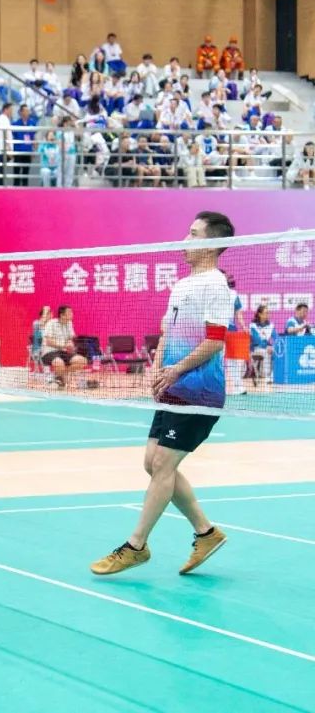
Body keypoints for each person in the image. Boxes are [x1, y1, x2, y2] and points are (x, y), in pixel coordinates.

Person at [90, 211, 235, 576]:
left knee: (163, 465)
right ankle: (206, 533)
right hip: (173, 385)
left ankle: (135, 545)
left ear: (212, 243)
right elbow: (168, 332)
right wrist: (157, 369)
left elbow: (215, 341)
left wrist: (176, 370)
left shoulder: (216, 286)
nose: (185, 240)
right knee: (151, 463)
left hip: (199, 391)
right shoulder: (182, 285)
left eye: (193, 234)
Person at [41, 305, 86, 388]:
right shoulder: (51, 323)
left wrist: (71, 344)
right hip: (49, 352)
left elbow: (70, 338)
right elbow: (48, 342)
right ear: (62, 315)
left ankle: (59, 376)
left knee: (82, 361)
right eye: (69, 312)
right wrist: (64, 345)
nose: (72, 314)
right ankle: (60, 378)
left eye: (71, 312)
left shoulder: (69, 323)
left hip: (63, 352)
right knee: (59, 363)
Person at [249, 304, 274, 384]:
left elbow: (276, 337)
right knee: (266, 352)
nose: (268, 315)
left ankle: (273, 376)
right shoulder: (253, 325)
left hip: (266, 348)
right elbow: (257, 340)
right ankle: (267, 377)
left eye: (268, 313)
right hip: (255, 349)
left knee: (276, 352)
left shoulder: (270, 325)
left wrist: (273, 346)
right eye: (266, 313)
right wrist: (267, 346)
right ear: (260, 314)